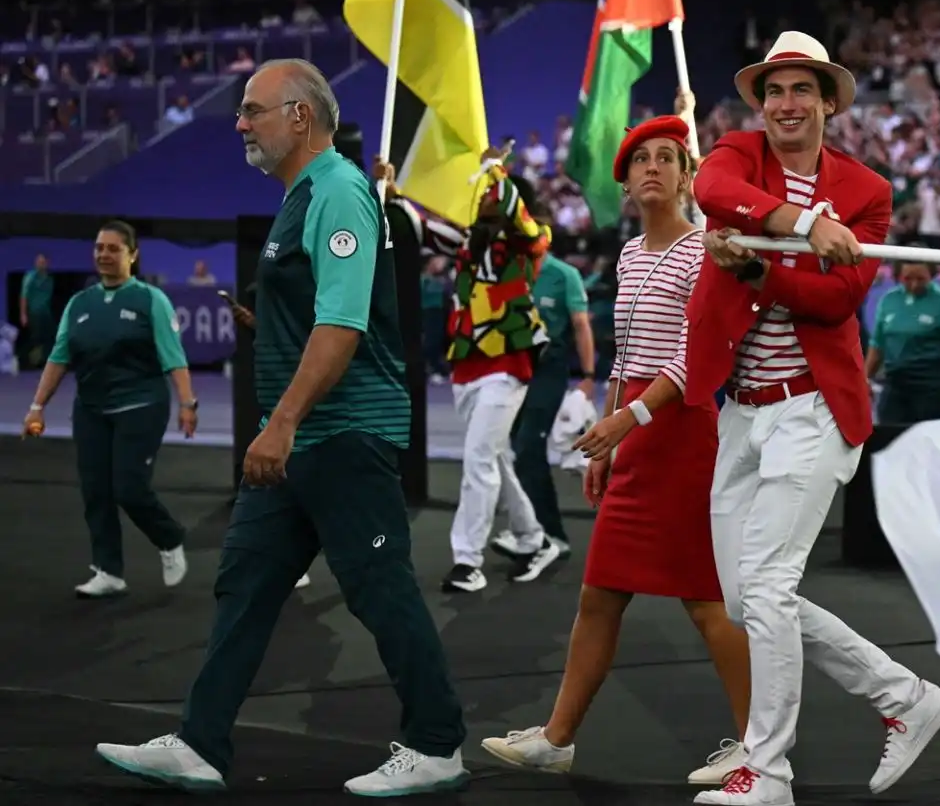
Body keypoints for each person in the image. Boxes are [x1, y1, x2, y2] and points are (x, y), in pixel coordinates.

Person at [95, 59, 466, 795]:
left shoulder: (337, 192)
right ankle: (201, 741)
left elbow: (344, 325)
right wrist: (271, 327)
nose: (240, 123)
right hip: (301, 439)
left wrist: (282, 422)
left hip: (339, 435)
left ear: (300, 116)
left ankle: (437, 744)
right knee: (246, 584)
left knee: (379, 587)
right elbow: (316, 318)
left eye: (252, 110)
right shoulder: (307, 194)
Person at [688, 31, 940, 806]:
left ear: (829, 102)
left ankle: (766, 771)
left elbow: (839, 299)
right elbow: (711, 189)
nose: (786, 104)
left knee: (767, 587)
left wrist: (762, 270)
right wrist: (803, 230)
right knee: (747, 600)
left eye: (802, 89)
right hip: (738, 409)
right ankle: (904, 696)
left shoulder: (868, 191)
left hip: (813, 411)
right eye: (775, 91)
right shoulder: (737, 157)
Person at [481, 115, 753, 786]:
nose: (653, 167)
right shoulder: (630, 255)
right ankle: (558, 737)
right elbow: (624, 358)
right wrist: (605, 442)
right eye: (641, 160)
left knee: (704, 601)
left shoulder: (704, 252)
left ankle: (759, 743)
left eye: (669, 158)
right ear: (627, 181)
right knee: (600, 595)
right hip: (633, 438)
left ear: (690, 177)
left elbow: (700, 357)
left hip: (682, 435)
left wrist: (626, 419)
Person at [379, 154, 558, 592]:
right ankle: (534, 538)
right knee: (494, 456)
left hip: (509, 361)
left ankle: (467, 561)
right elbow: (419, 226)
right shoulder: (465, 244)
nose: (483, 202)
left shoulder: (530, 240)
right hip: (467, 366)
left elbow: (516, 208)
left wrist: (495, 169)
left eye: (490, 196)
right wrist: (391, 191)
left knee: (479, 456)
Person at [21, 222, 195, 598]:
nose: (103, 254)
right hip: (91, 411)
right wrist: (37, 407)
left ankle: (169, 538)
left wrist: (187, 403)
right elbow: (58, 357)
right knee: (96, 492)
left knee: (129, 489)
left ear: (132, 254)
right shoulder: (79, 303)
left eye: (113, 248)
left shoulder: (150, 299)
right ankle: (109, 571)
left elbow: (173, 358)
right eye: (99, 247)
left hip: (141, 405)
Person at [490, 196, 595, 582]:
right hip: (513, 368)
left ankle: (552, 535)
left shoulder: (563, 275)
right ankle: (529, 532)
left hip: (548, 369)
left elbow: (581, 326)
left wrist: (587, 375)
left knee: (529, 449)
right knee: (511, 450)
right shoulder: (512, 273)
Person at [865, 261, 940, 423]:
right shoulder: (888, 301)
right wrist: (865, 378)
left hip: (934, 386)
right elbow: (877, 345)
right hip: (896, 383)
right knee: (889, 438)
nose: (914, 284)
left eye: (921, 279)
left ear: (931, 275)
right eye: (908, 278)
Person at [20, 253, 54, 368]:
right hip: (34, 313)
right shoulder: (30, 276)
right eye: (39, 262)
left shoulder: (49, 279)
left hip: (46, 313)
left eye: (43, 262)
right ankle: (29, 363)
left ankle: (45, 362)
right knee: (35, 338)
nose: (41, 264)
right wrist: (23, 314)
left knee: (49, 338)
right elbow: (24, 296)